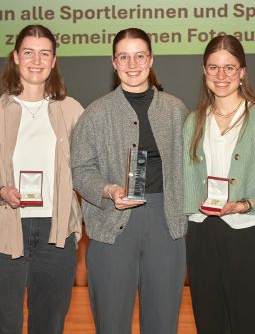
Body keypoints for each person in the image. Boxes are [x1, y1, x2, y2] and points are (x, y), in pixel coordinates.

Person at [71, 28, 188, 334]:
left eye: (139, 56)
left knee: (163, 323)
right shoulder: (95, 114)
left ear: (151, 59)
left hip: (166, 223)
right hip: (112, 224)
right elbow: (80, 170)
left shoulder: (175, 110)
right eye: (124, 57)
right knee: (111, 323)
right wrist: (108, 189)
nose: (132, 64)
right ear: (114, 62)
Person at [0, 25, 83, 334]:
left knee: (49, 326)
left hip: (55, 233)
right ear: (16, 57)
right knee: (1, 326)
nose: (37, 61)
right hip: (2, 230)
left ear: (54, 60)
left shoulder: (72, 111)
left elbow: (88, 169)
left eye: (44, 53)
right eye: (29, 52)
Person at [183, 35, 255, 334]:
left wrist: (246, 204)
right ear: (204, 72)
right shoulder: (192, 122)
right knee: (209, 323)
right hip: (201, 234)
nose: (221, 75)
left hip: (245, 233)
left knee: (249, 323)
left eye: (229, 67)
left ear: (242, 72)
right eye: (214, 67)